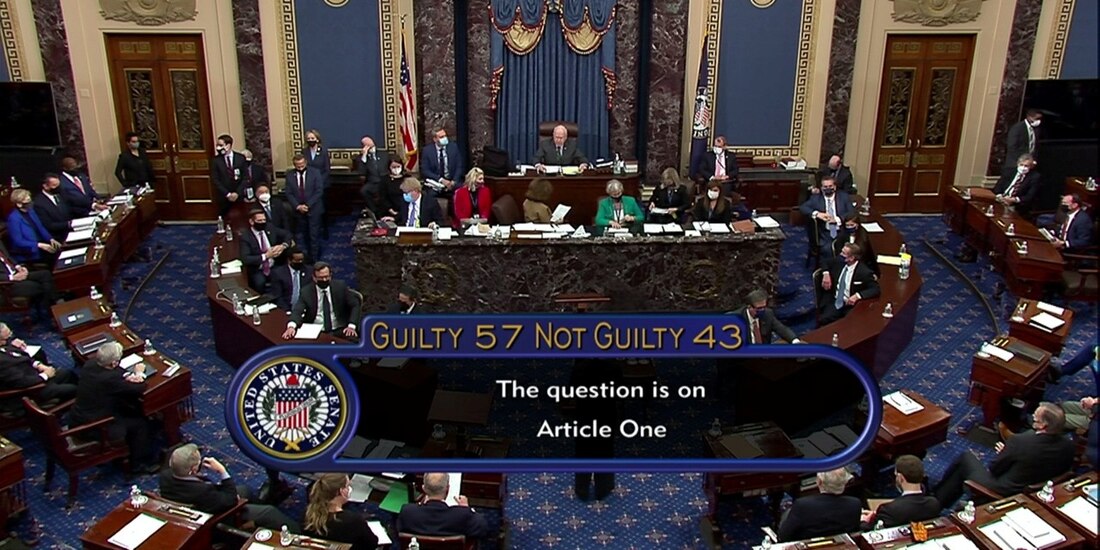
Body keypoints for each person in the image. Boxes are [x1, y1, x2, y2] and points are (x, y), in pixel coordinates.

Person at [932, 402, 1075, 507]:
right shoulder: (1068, 445)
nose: (1032, 417)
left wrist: (1005, 453)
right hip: (1034, 488)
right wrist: (1010, 453)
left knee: (965, 459)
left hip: (1005, 489)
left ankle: (937, 501)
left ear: (1043, 425)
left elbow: (995, 469)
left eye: (1035, 417)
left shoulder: (1020, 441)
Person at [159, 443, 300, 531]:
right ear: (193, 470)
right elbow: (230, 500)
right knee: (269, 512)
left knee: (245, 490)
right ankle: (298, 533)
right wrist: (222, 471)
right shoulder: (203, 491)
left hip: (200, 504)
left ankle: (259, 515)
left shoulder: (165, 476)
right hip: (217, 518)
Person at [68, 342, 159, 474]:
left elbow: (115, 373)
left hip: (78, 418)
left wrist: (127, 376)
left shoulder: (90, 364)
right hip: (94, 427)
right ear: (113, 363)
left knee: (128, 409)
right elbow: (139, 387)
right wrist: (139, 374)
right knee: (140, 424)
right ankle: (140, 464)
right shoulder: (109, 379)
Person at [0, 322, 76, 411]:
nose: (10, 339)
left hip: (34, 374)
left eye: (10, 334)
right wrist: (45, 375)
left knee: (67, 373)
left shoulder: (6, 344)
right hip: (31, 390)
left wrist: (39, 365)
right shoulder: (1, 362)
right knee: (73, 389)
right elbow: (21, 382)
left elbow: (22, 357)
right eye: (7, 338)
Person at [572, 358, 618, 501]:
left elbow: (571, 389)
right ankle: (603, 489)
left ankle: (582, 489)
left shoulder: (579, 366)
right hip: (605, 415)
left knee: (583, 452)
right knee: (604, 451)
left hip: (585, 415)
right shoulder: (612, 365)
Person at [777, 467, 860, 542]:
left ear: (819, 481)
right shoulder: (855, 504)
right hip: (839, 545)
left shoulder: (803, 505)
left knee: (787, 513)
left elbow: (784, 536)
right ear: (845, 482)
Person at [397, 472, 489, 539]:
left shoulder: (407, 511)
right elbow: (483, 528)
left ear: (424, 488)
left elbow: (399, 529)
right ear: (448, 489)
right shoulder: (462, 515)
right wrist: (467, 508)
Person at [282, 262, 361, 339]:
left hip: (340, 328)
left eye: (327, 277)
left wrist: (351, 325)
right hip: (316, 330)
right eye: (321, 277)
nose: (324, 280)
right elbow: (298, 310)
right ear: (314, 277)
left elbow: (355, 304)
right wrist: (291, 327)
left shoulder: (340, 286)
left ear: (330, 275)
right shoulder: (306, 291)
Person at [860, 455, 940, 530]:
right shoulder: (933, 503)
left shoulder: (889, 509)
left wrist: (864, 521)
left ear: (900, 478)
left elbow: (871, 531)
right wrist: (877, 514)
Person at [302, 473, 379, 549]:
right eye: (348, 486)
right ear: (341, 491)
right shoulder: (353, 521)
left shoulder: (307, 514)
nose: (349, 489)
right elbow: (372, 543)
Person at [819, 243, 880, 324]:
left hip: (851, 305)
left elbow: (875, 289)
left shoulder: (864, 272)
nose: (840, 254)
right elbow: (824, 262)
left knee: (850, 325)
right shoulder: (839, 261)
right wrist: (826, 274)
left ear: (851, 258)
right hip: (835, 300)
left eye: (843, 253)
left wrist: (857, 296)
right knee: (824, 320)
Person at [239, 209, 292, 292]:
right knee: (259, 283)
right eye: (259, 220)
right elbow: (245, 258)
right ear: (251, 222)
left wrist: (283, 246)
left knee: (285, 280)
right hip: (258, 269)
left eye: (264, 220)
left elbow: (287, 234)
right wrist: (266, 256)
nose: (262, 222)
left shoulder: (269, 228)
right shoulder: (246, 237)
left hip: (274, 265)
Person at [800, 176, 854, 258]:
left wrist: (837, 219)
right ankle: (828, 268)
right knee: (828, 249)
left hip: (842, 231)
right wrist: (817, 214)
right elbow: (803, 208)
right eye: (825, 187)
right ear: (821, 188)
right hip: (824, 232)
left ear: (835, 187)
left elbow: (851, 212)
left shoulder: (843, 197)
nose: (828, 188)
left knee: (851, 248)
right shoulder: (816, 198)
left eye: (830, 186)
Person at [285, 154, 325, 261]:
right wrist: (298, 206)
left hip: (313, 209)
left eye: (302, 165)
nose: (300, 168)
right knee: (303, 234)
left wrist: (307, 205)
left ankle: (314, 259)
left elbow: (319, 191)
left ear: (306, 163)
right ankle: (306, 256)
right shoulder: (289, 175)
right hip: (298, 211)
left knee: (314, 235)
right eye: (298, 166)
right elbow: (288, 193)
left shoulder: (315, 173)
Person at [6, 189, 61, 265]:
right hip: (29, 253)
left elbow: (40, 227)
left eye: (29, 198)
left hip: (42, 246)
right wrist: (38, 245)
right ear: (19, 204)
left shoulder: (31, 211)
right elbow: (18, 241)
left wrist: (50, 239)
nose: (30, 201)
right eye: (26, 200)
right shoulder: (13, 219)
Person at [0, 241, 59, 308]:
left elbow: (8, 256)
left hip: (16, 272)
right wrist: (12, 277)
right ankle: (50, 308)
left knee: (46, 274)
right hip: (7, 283)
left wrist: (18, 267)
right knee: (38, 286)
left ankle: (55, 304)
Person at [737, 289, 801, 344]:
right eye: (759, 308)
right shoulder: (736, 318)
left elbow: (782, 329)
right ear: (749, 307)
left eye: (764, 307)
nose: (762, 310)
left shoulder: (767, 314)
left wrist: (795, 341)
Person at [420, 127, 465, 197]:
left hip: (452, 180)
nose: (445, 138)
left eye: (445, 136)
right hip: (436, 182)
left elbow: (459, 166)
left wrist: (453, 181)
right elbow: (425, 170)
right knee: (431, 194)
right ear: (435, 139)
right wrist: (441, 180)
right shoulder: (427, 151)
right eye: (441, 137)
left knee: (462, 191)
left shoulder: (453, 147)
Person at [212, 134, 247, 217]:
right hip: (224, 196)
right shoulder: (216, 160)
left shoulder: (240, 158)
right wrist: (228, 194)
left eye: (220, 145)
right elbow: (215, 179)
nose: (218, 148)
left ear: (228, 145)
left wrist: (237, 193)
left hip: (238, 195)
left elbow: (245, 177)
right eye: (217, 145)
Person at [32, 174, 73, 242]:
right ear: (45, 186)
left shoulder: (61, 195)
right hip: (58, 237)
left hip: (71, 232)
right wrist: (68, 224)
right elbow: (48, 225)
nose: (58, 188)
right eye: (54, 185)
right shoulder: (39, 203)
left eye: (58, 185)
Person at [355, 136, 389, 215]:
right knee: (364, 191)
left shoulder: (384, 154)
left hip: (384, 181)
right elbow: (361, 172)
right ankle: (374, 210)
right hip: (372, 182)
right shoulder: (361, 158)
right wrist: (364, 156)